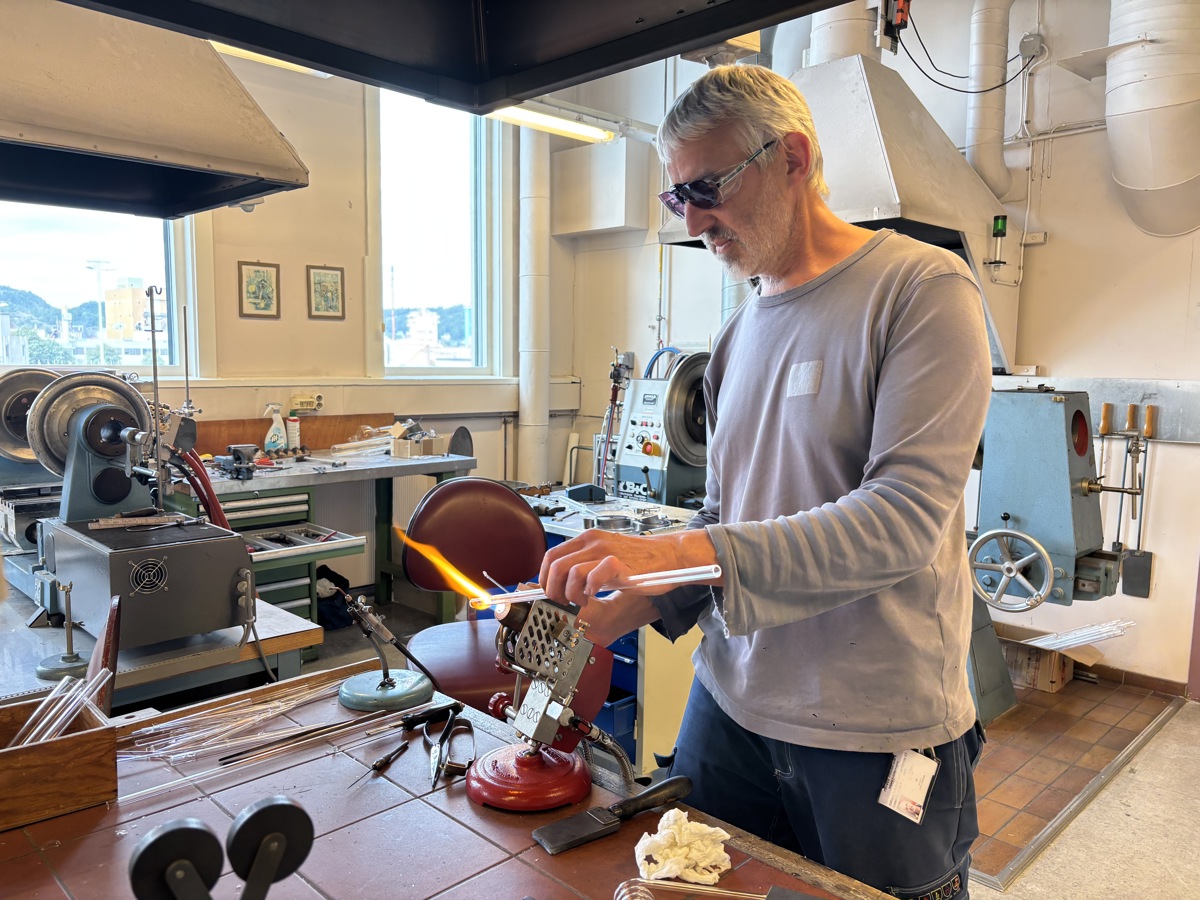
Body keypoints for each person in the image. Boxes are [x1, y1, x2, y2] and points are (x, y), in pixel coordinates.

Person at [538, 65, 992, 900]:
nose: (694, 219)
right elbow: (729, 512)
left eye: (707, 187)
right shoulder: (739, 333)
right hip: (730, 705)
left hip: (874, 728)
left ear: (793, 158)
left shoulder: (921, 290)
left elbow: (900, 521)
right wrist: (650, 596)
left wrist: (676, 549)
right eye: (679, 199)